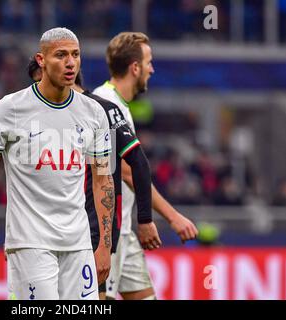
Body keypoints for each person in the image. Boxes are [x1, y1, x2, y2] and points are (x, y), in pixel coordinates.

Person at [0, 27, 114, 300]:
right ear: (41, 60)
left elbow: (103, 178)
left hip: (78, 244)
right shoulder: (10, 109)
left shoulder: (94, 113)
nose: (70, 62)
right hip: (29, 242)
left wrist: (104, 243)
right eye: (61, 55)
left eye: (75, 55)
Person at [27, 59, 161, 299]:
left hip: (98, 231)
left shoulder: (103, 110)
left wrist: (144, 219)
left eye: (41, 81)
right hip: (59, 232)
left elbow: (137, 164)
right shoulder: (47, 120)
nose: (39, 90)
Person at [93, 32, 199, 300]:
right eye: (149, 62)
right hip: (107, 235)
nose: (152, 69)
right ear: (135, 67)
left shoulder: (120, 105)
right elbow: (128, 172)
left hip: (125, 230)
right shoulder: (104, 103)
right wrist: (172, 217)